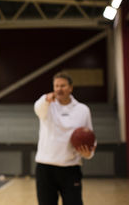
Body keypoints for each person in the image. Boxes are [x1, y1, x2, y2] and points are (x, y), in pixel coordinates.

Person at [34, 72, 95, 205]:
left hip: (71, 168)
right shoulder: (46, 106)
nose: (59, 89)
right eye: (56, 86)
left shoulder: (83, 109)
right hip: (45, 168)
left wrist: (89, 154)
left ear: (70, 88)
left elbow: (91, 137)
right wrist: (46, 98)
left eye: (62, 85)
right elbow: (37, 107)